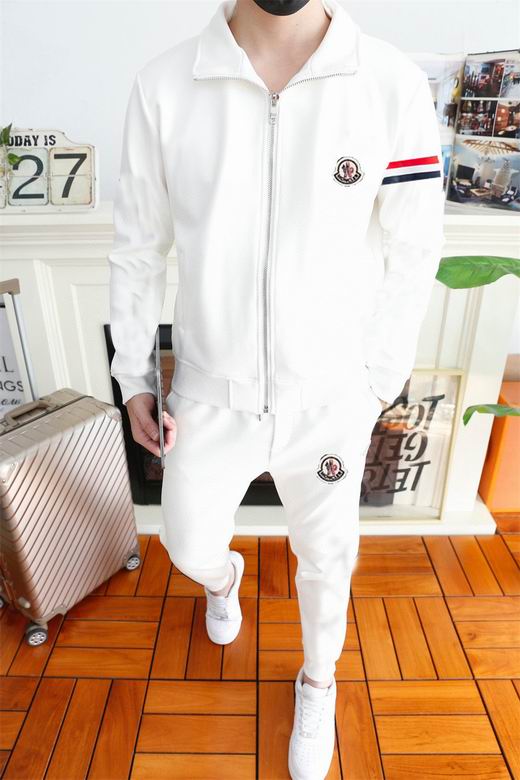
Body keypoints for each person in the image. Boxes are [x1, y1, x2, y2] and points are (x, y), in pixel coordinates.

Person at [107, 0, 445, 776]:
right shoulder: (166, 85)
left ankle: (318, 680)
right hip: (208, 393)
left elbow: (415, 245)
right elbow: (137, 248)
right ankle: (224, 580)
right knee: (187, 543)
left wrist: (377, 379)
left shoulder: (387, 82)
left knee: (327, 557)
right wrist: (133, 376)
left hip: (330, 397)